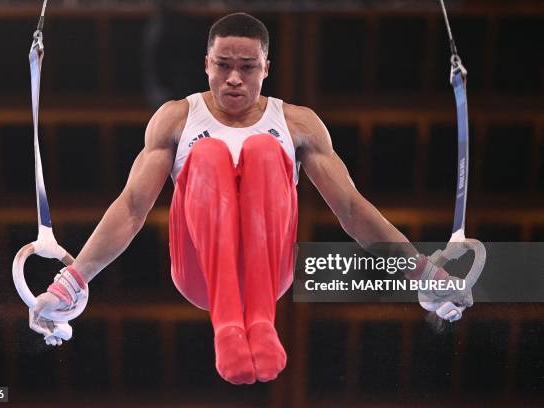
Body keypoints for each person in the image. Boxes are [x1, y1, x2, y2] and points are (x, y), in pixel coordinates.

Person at [29, 12, 472, 385]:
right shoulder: (176, 118)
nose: (235, 78)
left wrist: (423, 273)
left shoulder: (298, 124)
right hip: (199, 271)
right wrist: (70, 282)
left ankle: (261, 323)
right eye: (223, 65)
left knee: (264, 150)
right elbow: (130, 209)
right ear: (206, 64)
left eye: (247, 66)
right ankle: (228, 325)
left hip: (269, 267)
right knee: (207, 153)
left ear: (266, 67)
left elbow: (353, 211)